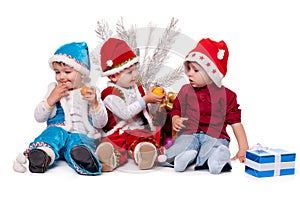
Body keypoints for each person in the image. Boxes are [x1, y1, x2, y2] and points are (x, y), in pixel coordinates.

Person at [13, 42, 108, 175]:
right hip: (58, 130)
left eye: (67, 72)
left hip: (81, 134)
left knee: (78, 141)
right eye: (57, 72)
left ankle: (82, 157)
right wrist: (51, 100)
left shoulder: (92, 92)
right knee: (53, 133)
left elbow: (101, 123)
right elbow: (39, 117)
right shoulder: (53, 89)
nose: (61, 77)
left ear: (82, 73)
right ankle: (42, 154)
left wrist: (95, 104)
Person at [159, 38, 249, 174]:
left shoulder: (227, 95)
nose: (189, 73)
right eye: (188, 69)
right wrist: (175, 119)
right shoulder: (185, 90)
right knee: (184, 143)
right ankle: (181, 158)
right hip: (190, 132)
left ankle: (217, 159)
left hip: (215, 134)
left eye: (195, 70)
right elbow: (176, 109)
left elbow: (236, 123)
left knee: (215, 145)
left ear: (212, 73)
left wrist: (243, 148)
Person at [95, 38, 164, 171]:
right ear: (113, 76)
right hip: (119, 130)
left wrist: (154, 100)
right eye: (129, 72)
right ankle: (109, 157)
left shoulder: (137, 87)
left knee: (142, 138)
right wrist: (146, 99)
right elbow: (125, 113)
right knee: (113, 141)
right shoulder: (110, 94)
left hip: (137, 129)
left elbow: (147, 111)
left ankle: (144, 152)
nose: (135, 75)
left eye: (135, 70)